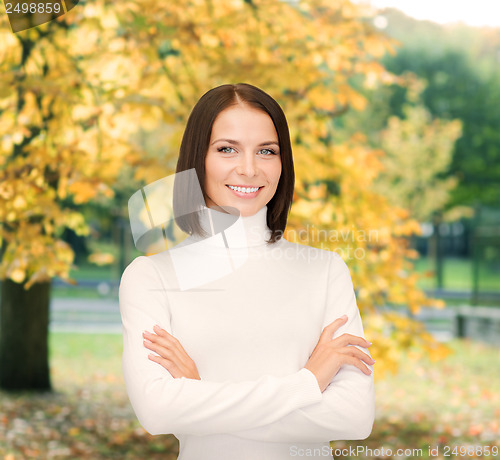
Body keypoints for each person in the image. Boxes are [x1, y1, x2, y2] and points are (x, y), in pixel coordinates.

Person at [119, 83, 375, 460]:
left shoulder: (325, 271)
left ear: (282, 162)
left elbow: (355, 417)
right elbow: (157, 411)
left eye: (266, 151)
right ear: (197, 159)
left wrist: (200, 392)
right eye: (227, 149)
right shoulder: (150, 278)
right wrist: (308, 383)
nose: (250, 168)